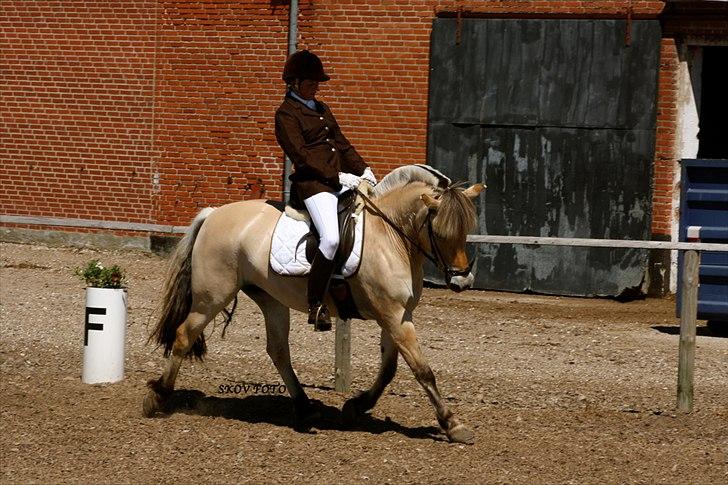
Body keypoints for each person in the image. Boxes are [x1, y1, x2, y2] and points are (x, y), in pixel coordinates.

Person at [275, 50, 376, 331]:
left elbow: (341, 144)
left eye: (317, 83)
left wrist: (364, 169)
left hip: (340, 179)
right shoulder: (286, 115)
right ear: (294, 83)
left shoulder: (322, 109)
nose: (315, 87)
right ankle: (315, 302)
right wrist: (339, 177)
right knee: (331, 238)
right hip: (314, 184)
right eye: (310, 82)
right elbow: (302, 155)